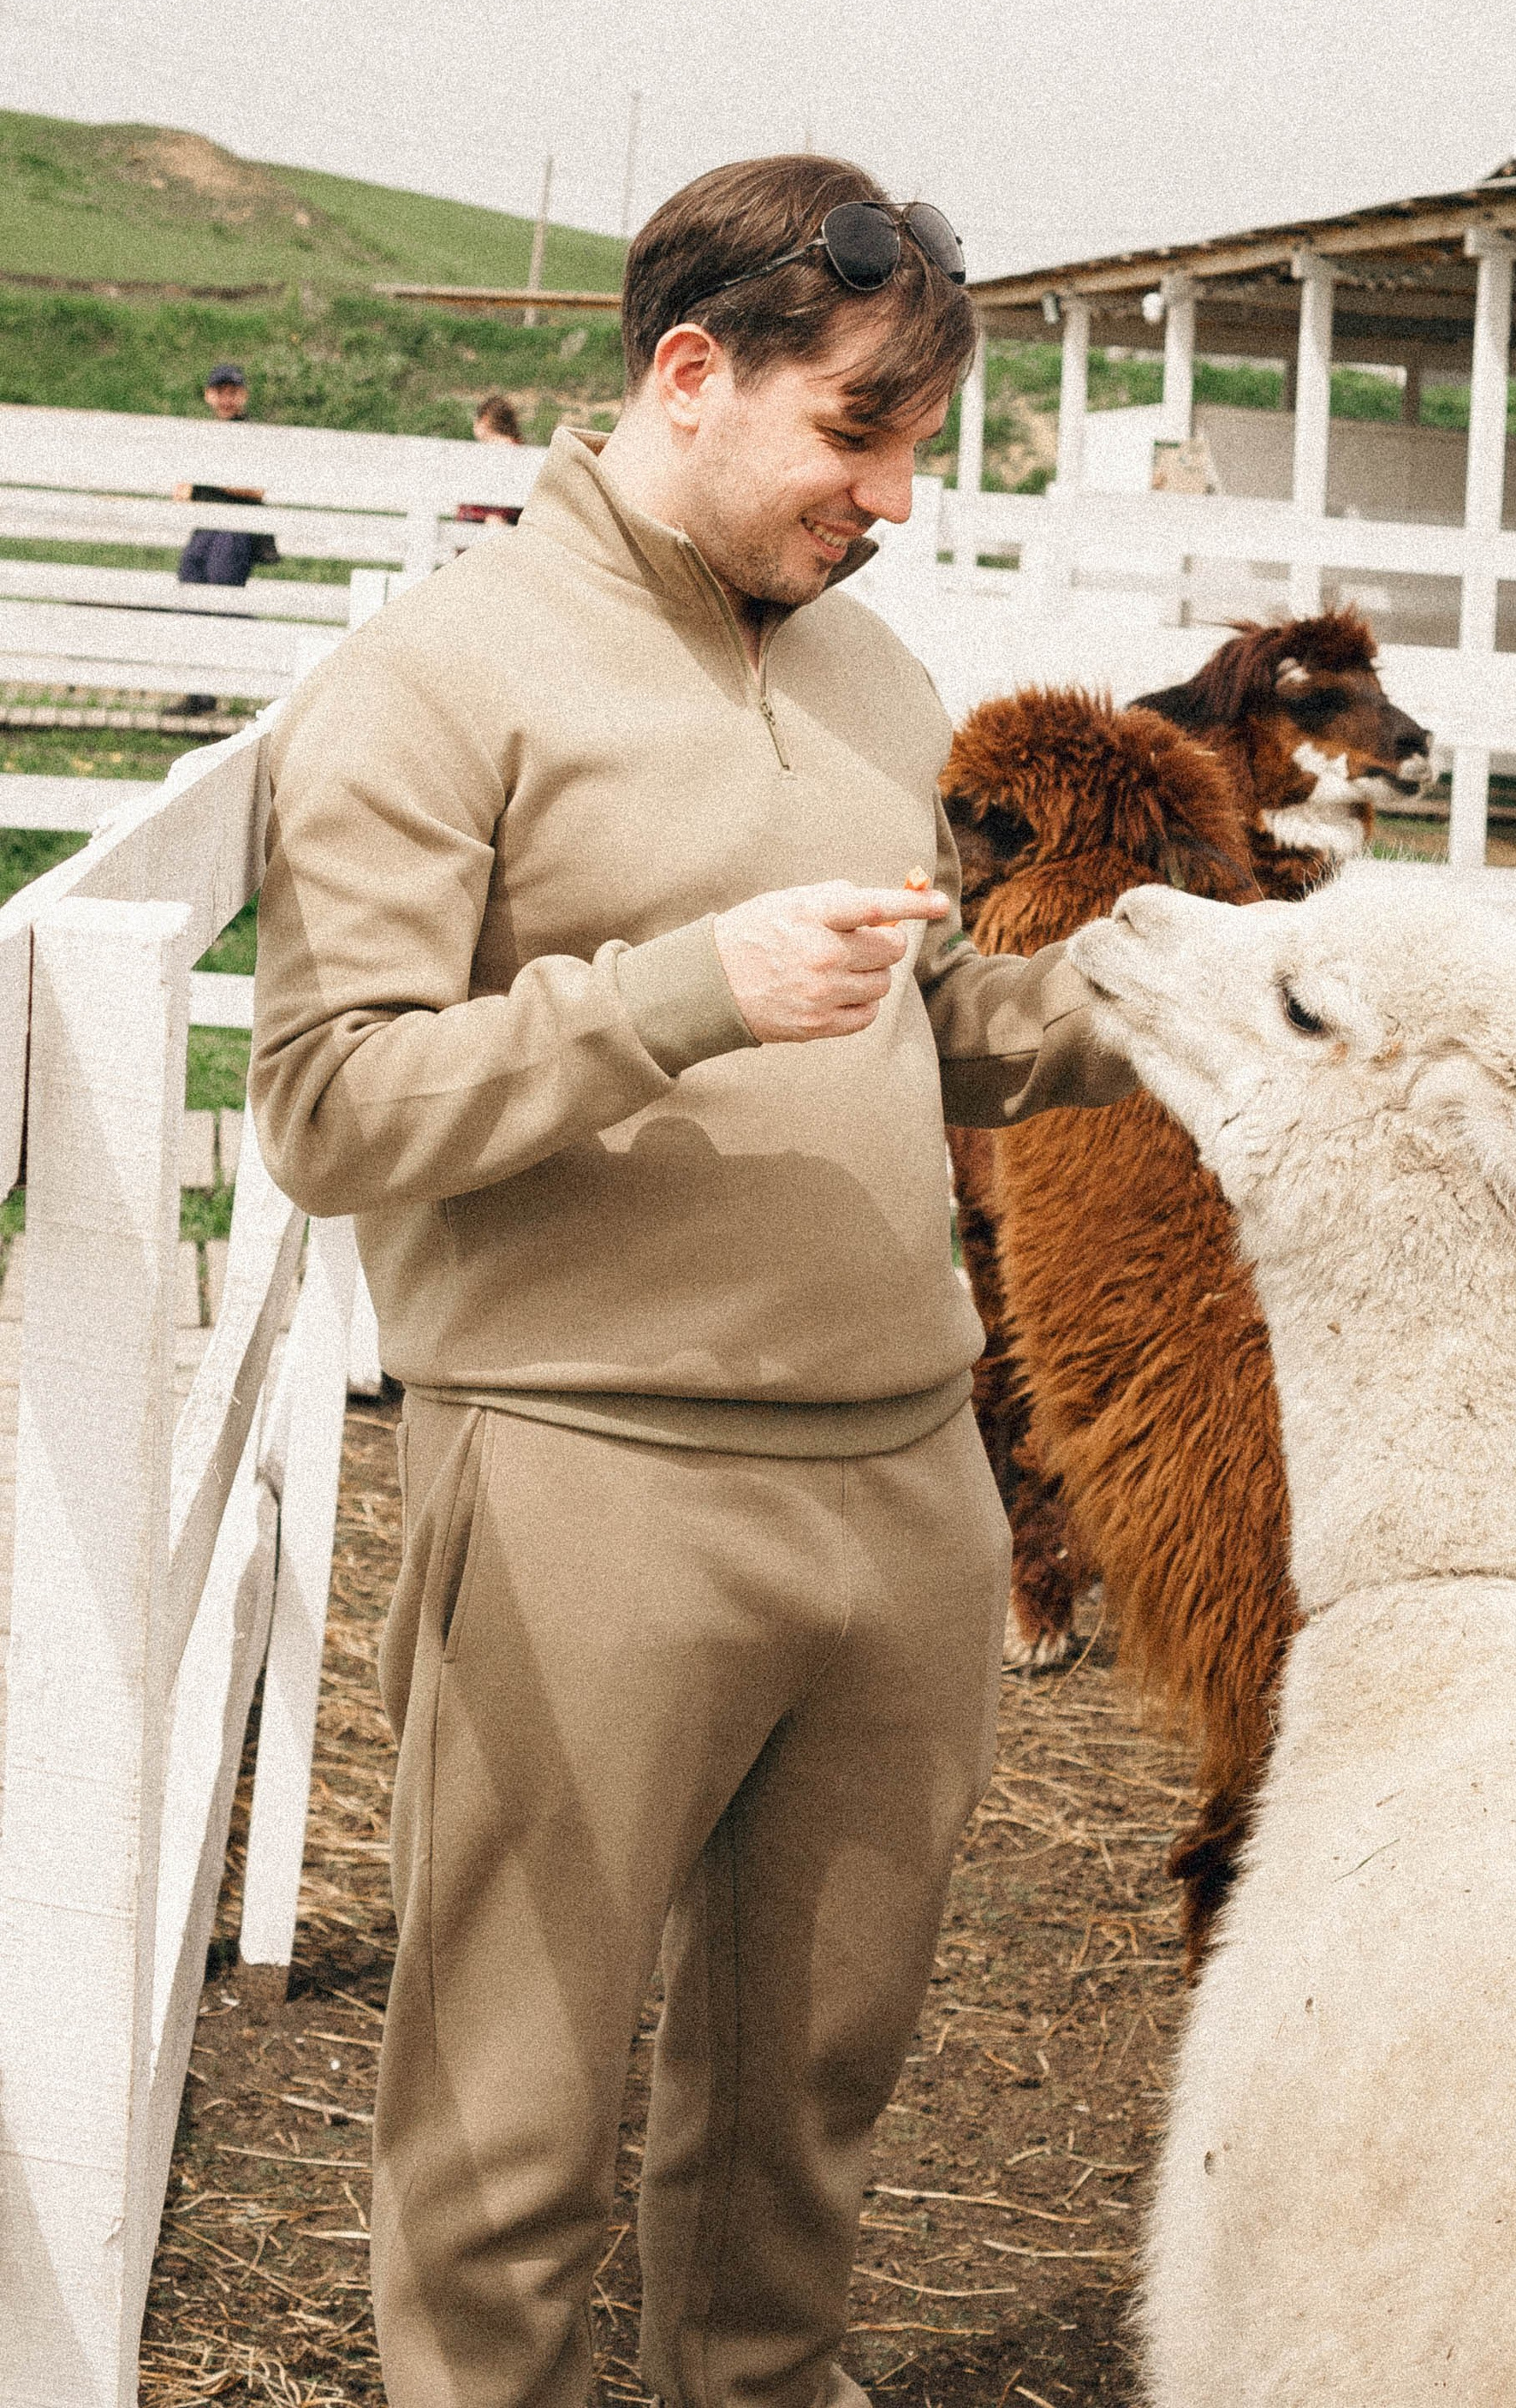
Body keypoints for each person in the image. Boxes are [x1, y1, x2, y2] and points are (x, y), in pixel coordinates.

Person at [250, 157, 1138, 2408]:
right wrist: (673, 995)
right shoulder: (435, 684)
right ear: (688, 374)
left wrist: (1222, 1003)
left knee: (806, 2130)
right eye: (860, 433)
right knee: (510, 2140)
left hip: (905, 1477)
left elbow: (948, 1019)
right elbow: (333, 1107)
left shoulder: (867, 665)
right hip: (590, 1479)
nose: (897, 497)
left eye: (912, 447)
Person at [169, 360, 277, 712]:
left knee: (223, 599)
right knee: (192, 596)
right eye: (220, 392)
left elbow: (257, 488)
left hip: (235, 530)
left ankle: (272, 662)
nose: (227, 399)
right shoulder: (206, 436)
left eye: (233, 392)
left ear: (243, 396)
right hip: (207, 528)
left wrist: (208, 479)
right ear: (209, 396)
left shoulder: (252, 436)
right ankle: (200, 693)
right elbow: (184, 485)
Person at [456, 390, 528, 525]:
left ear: (484, 421)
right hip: (506, 517)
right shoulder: (520, 449)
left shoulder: (490, 453)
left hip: (493, 518)